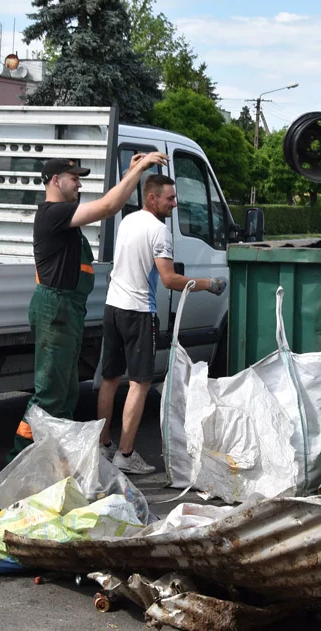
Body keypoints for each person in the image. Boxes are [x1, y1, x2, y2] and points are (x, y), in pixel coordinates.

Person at [9, 151, 168, 460]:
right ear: (55, 181)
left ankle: (54, 461)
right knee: (50, 394)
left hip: (66, 312)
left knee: (67, 393)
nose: (79, 185)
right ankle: (19, 459)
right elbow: (110, 205)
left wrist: (131, 172)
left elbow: (109, 202)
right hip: (56, 310)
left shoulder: (63, 214)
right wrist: (139, 171)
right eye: (74, 179)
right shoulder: (53, 213)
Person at [97, 173, 226, 474]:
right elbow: (169, 279)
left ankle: (103, 445)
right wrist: (209, 283)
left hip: (112, 307)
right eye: (170, 198)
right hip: (138, 312)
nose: (175, 203)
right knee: (140, 384)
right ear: (152, 198)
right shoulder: (159, 231)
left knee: (110, 379)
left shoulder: (128, 221)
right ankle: (126, 455)